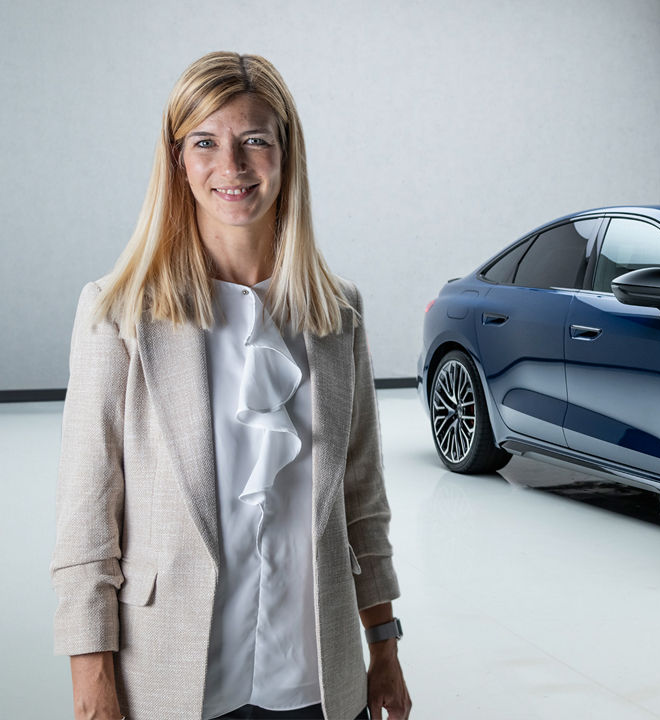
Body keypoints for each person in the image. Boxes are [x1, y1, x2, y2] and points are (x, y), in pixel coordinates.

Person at [50, 52, 411, 719]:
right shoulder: (117, 310)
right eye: (205, 143)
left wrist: (383, 647)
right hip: (170, 677)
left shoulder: (339, 315)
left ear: (284, 155)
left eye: (254, 141)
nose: (233, 166)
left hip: (316, 678)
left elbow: (362, 503)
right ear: (178, 160)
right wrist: (90, 676)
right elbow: (87, 517)